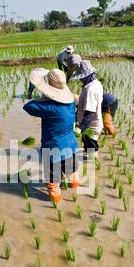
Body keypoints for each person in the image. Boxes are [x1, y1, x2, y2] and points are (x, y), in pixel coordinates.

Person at [23, 68, 79, 204]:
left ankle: (56, 205)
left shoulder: (49, 107)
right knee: (72, 174)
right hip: (71, 146)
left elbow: (28, 106)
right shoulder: (70, 102)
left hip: (54, 150)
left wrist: (45, 97)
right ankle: (75, 195)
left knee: (53, 184)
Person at [71, 60, 103, 157]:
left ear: (87, 75)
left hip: (91, 126)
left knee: (92, 151)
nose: (80, 79)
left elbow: (90, 114)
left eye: (82, 77)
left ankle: (94, 166)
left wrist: (79, 128)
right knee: (88, 148)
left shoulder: (90, 90)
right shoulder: (96, 83)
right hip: (87, 125)